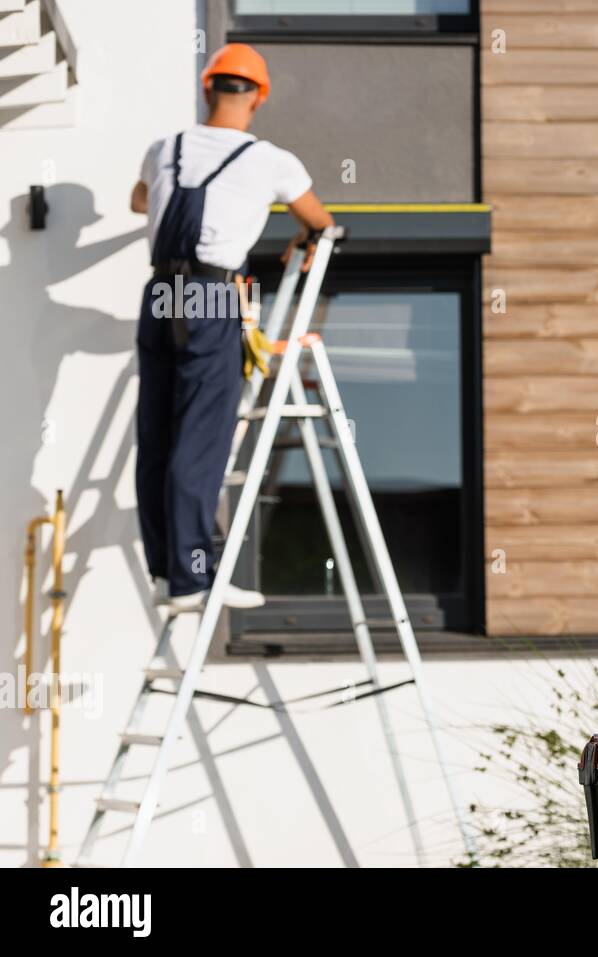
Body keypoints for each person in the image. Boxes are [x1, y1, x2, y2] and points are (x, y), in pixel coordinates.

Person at [130, 42, 334, 614]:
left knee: (159, 434)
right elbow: (321, 222)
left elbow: (137, 201)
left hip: (160, 294)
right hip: (211, 296)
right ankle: (195, 577)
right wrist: (303, 239)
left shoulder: (162, 149)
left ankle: (168, 572)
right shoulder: (271, 161)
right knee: (201, 437)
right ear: (259, 96)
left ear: (207, 88)